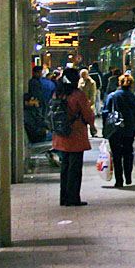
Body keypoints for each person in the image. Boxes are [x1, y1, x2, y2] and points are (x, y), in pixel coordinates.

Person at [51, 68, 97, 206]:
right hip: (75, 135)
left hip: (61, 135)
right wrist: (92, 125)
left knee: (64, 167)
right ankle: (73, 198)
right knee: (75, 168)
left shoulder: (57, 94)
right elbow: (88, 114)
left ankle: (63, 197)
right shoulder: (78, 95)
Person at [103, 73, 135, 187]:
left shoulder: (112, 96)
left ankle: (119, 180)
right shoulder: (134, 98)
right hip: (129, 129)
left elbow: (105, 113)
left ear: (119, 83)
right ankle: (128, 177)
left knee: (116, 155)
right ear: (131, 85)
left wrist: (105, 130)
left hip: (115, 130)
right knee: (128, 153)